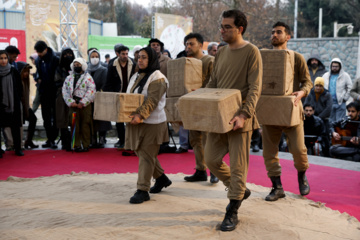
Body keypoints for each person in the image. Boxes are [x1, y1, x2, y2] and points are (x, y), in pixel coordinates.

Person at [204, 10, 262, 231]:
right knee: (210, 159)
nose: (222, 30)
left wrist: (244, 114)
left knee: (239, 167)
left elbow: (255, 88)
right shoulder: (220, 52)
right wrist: (200, 101)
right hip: (219, 118)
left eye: (227, 27)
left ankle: (232, 210)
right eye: (222, 26)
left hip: (241, 118)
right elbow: (213, 83)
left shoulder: (252, 51)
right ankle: (239, 190)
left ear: (240, 29)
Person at [262, 22, 313, 202]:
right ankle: (277, 187)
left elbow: (308, 82)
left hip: (292, 108)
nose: (274, 35)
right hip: (269, 110)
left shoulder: (296, 57)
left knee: (299, 149)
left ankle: (301, 175)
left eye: (279, 32)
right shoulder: (263, 57)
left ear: (288, 36)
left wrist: (302, 92)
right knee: (269, 152)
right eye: (272, 32)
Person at [125, 47, 172, 204]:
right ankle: (161, 178)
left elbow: (152, 100)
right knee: (142, 152)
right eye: (139, 57)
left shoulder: (158, 78)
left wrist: (140, 115)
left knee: (146, 156)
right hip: (136, 122)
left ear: (151, 59)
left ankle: (142, 190)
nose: (140, 60)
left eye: (144, 57)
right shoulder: (137, 76)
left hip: (153, 123)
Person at [181, 32, 218, 184]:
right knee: (195, 139)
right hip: (192, 105)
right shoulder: (185, 62)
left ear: (201, 45)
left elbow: (215, 82)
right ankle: (200, 170)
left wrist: (201, 91)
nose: (188, 47)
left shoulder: (210, 60)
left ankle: (214, 170)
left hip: (207, 105)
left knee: (209, 139)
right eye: (186, 44)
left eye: (191, 44)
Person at [103, 45, 137, 149]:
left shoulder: (133, 63)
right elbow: (108, 81)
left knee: (130, 120)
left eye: (127, 53)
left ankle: (130, 142)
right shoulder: (112, 64)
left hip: (130, 96)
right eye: (123, 54)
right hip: (117, 96)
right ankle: (122, 141)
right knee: (119, 120)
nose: (125, 56)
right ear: (118, 54)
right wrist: (112, 95)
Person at [62, 58, 96, 152]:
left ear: (83, 65)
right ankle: (75, 145)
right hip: (73, 105)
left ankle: (86, 144)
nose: (76, 66)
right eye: (75, 65)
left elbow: (91, 91)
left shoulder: (88, 78)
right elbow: (64, 91)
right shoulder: (68, 77)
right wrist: (70, 102)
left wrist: (83, 102)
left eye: (78, 64)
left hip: (85, 105)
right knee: (74, 124)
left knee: (86, 124)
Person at [34, 40, 59, 149]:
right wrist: (37, 78)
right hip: (43, 92)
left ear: (46, 49)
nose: (39, 54)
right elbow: (38, 73)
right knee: (46, 118)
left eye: (40, 52)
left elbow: (58, 75)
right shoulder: (38, 60)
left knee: (56, 118)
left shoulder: (55, 59)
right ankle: (49, 139)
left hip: (54, 92)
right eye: (37, 52)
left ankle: (53, 139)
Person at [0, 50, 24, 157]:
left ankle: (18, 148)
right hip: (1, 105)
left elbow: (19, 87)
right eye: (1, 58)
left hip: (13, 104)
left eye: (5, 58)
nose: (3, 60)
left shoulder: (13, 71)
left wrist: (18, 99)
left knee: (15, 127)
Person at [88, 49, 111, 148]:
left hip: (101, 97)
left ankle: (102, 138)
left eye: (96, 56)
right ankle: (92, 138)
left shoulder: (103, 69)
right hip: (89, 98)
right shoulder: (86, 70)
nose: (94, 59)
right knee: (91, 118)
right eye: (92, 57)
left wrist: (99, 92)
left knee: (102, 119)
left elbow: (106, 83)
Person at [304, 77, 333, 156]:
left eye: (320, 86)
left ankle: (326, 154)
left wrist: (319, 118)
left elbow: (328, 108)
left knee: (325, 137)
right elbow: (306, 104)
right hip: (311, 119)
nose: (318, 87)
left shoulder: (327, 95)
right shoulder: (311, 93)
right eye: (317, 85)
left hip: (323, 119)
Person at [54, 47, 75, 151]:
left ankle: (75, 142)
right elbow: (57, 82)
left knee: (73, 119)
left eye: (70, 54)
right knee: (63, 120)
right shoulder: (59, 68)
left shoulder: (76, 67)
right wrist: (67, 85)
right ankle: (65, 143)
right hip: (61, 96)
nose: (68, 57)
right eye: (65, 54)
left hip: (75, 97)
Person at [323, 58, 352, 123]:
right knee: (330, 122)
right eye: (333, 66)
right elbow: (322, 87)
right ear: (331, 66)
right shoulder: (325, 75)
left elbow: (350, 87)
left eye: (336, 66)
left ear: (340, 67)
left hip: (340, 103)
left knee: (340, 122)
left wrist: (345, 98)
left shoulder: (345, 76)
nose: (334, 68)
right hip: (329, 103)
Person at [18, 62, 38, 149]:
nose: (26, 73)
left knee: (33, 119)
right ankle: (18, 143)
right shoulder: (18, 82)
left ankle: (28, 141)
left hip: (25, 107)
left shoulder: (26, 81)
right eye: (24, 71)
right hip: (19, 107)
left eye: (27, 71)